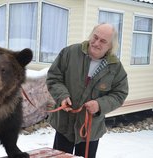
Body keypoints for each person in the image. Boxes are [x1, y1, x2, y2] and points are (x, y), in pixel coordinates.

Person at [46, 23, 129, 158]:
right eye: (95, 37)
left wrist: (99, 105)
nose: (96, 43)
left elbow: (120, 93)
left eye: (103, 41)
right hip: (64, 124)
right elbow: (54, 77)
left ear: (110, 46)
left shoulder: (115, 68)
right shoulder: (69, 53)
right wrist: (62, 96)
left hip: (91, 128)